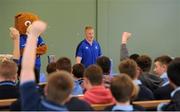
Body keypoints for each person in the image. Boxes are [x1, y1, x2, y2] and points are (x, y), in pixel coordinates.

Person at [19, 21, 73, 111]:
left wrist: (33, 35)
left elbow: (26, 70)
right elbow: (27, 70)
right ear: (69, 97)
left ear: (46, 89)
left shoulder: (32, 105)